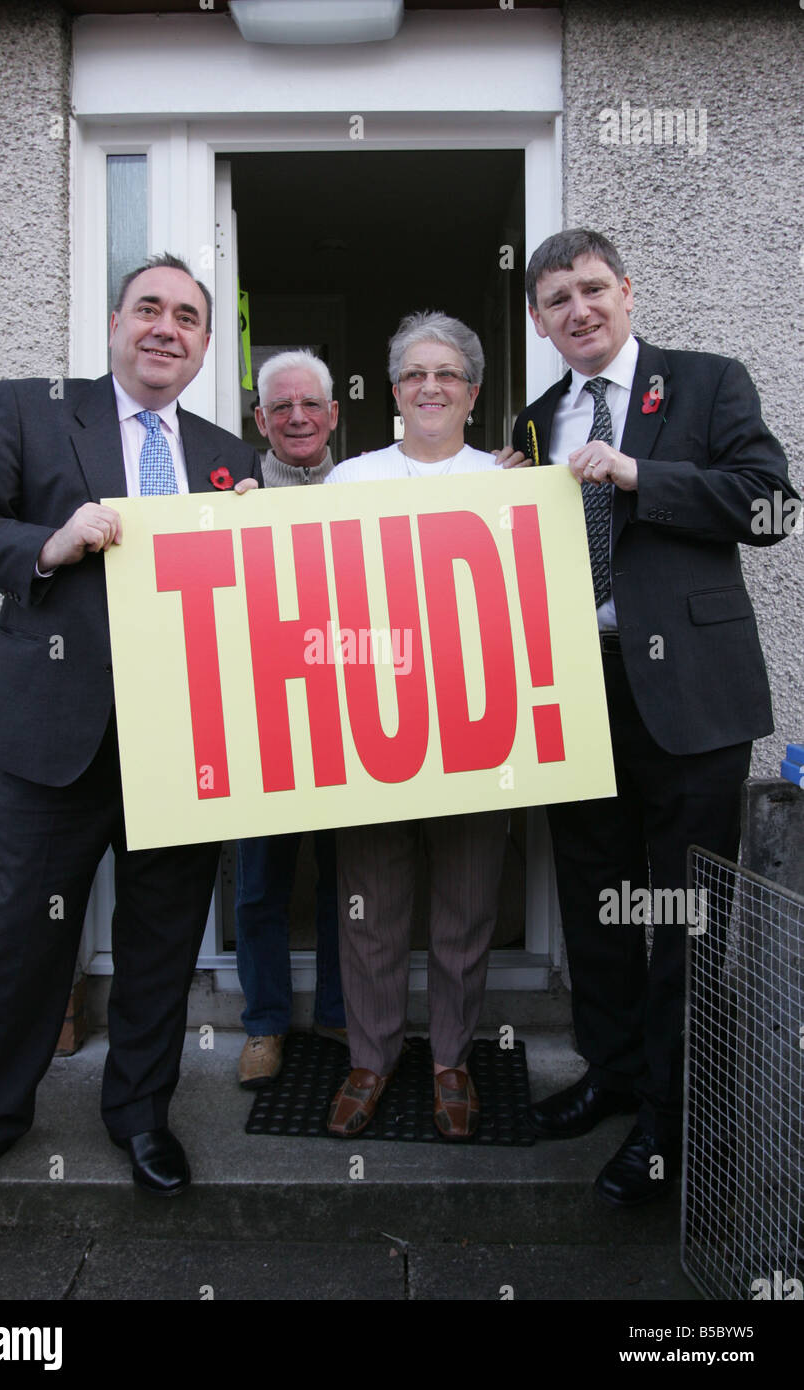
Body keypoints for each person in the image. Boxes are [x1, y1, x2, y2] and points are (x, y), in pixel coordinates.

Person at [0, 254, 262, 1224]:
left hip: (183, 738)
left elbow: (254, 598)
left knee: (160, 939)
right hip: (53, 735)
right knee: (25, 931)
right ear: (114, 323)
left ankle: (141, 1116)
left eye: (186, 317)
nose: (165, 327)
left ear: (201, 344)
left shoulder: (228, 451)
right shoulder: (32, 407)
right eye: (148, 308)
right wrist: (48, 543)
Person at [511, 228, 797, 1205]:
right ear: (539, 319)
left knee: (680, 918)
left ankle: (670, 1125)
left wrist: (640, 477)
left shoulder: (707, 382)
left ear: (625, 293)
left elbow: (769, 506)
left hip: (691, 702)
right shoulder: (535, 413)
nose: (576, 310)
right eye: (555, 299)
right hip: (573, 695)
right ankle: (613, 1071)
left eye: (591, 289)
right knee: (593, 905)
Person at [323, 310, 524, 1140]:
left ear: (472, 393)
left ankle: (451, 1062)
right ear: (394, 391)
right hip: (373, 730)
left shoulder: (510, 480)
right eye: (413, 374)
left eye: (446, 374)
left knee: (465, 910)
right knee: (370, 910)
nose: (429, 386)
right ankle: (369, 1059)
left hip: (480, 730)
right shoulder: (350, 481)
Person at [235, 350, 347, 1088]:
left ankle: (340, 1014)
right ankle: (265, 1025)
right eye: (281, 408)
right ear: (260, 421)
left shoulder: (372, 484)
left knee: (350, 881)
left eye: (310, 404)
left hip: (350, 717)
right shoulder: (226, 491)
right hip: (259, 716)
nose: (297, 418)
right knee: (258, 884)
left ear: (334, 413)